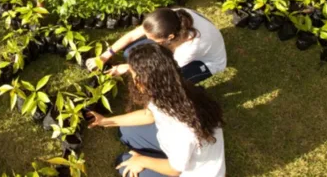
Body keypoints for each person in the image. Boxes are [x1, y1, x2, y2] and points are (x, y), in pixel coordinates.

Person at [88, 43, 225, 177]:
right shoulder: (174, 88)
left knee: (124, 162)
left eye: (134, 76)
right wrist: (106, 121)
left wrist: (141, 160)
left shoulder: (181, 129)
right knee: (126, 132)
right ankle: (156, 155)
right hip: (183, 150)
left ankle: (151, 159)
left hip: (191, 171)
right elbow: (149, 115)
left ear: (143, 82)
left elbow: (175, 169)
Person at [86, 8, 227, 83]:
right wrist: (105, 56)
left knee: (165, 82)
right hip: (188, 39)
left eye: (152, 38)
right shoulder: (172, 16)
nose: (147, 39)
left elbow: (165, 68)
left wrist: (128, 68)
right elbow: (131, 36)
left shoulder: (190, 48)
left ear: (169, 37)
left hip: (206, 62)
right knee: (130, 53)